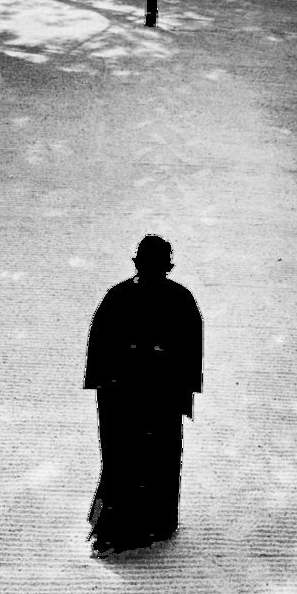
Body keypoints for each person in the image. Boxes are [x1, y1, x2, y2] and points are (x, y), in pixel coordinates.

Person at [84, 235, 203, 556]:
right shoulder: (178, 299)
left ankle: (130, 528)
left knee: (129, 462)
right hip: (144, 401)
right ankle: (143, 526)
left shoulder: (120, 297)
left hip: (136, 401)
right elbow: (190, 358)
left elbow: (189, 356)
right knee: (143, 463)